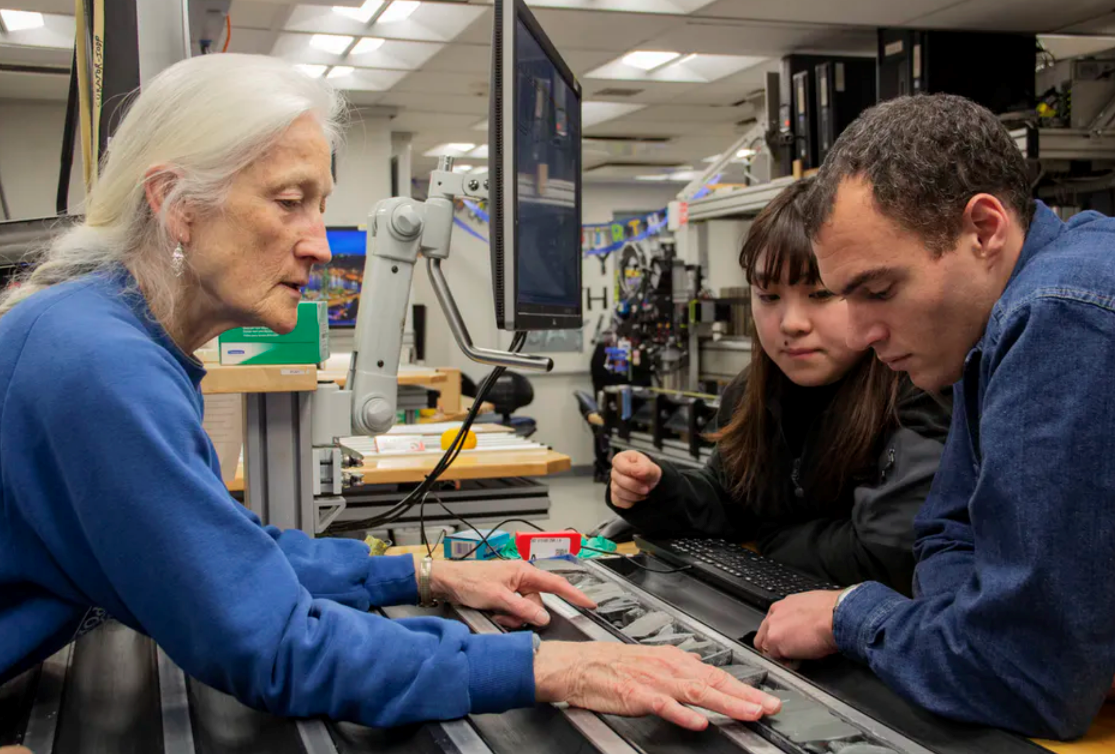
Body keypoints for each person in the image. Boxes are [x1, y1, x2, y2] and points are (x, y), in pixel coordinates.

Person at [0, 53, 782, 731]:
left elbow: (232, 558)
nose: (316, 241)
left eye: (322, 205)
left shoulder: (95, 330)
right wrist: (552, 668)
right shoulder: (102, 363)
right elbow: (272, 645)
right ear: (176, 204)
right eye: (288, 200)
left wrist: (420, 574)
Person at [752, 93, 1115, 740]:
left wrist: (853, 616)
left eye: (880, 291)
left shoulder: (1061, 314)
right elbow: (947, 534)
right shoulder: (993, 326)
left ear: (983, 229)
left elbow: (1026, 678)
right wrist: (974, 635)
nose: (860, 333)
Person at [606, 180, 950, 594]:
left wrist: (771, 536)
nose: (791, 323)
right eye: (768, 296)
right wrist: (659, 489)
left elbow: (885, 556)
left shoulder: (919, 393)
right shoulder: (754, 390)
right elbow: (733, 499)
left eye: (820, 293)